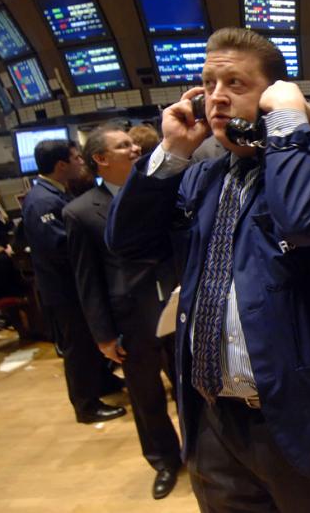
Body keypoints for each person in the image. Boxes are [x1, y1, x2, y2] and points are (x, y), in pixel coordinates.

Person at [105, 28, 310, 512]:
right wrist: (172, 152)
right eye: (208, 83)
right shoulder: (201, 175)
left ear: (273, 95)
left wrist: (287, 124)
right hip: (213, 421)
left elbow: (305, 220)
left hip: (304, 417)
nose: (217, 97)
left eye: (236, 84)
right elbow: (127, 244)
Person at [63, 126, 181, 500]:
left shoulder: (157, 193)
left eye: (132, 143)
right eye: (123, 145)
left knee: (192, 389)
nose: (134, 148)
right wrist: (103, 336)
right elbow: (88, 281)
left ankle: (201, 448)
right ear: (101, 159)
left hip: (177, 309)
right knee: (147, 399)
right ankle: (164, 460)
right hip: (131, 322)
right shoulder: (80, 212)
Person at [21, 139, 125, 424]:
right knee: (77, 347)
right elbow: (60, 248)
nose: (82, 163)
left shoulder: (55, 193)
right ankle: (86, 405)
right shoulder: (42, 200)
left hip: (75, 287)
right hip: (64, 291)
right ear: (61, 165)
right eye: (77, 158)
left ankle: (103, 383)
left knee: (90, 343)